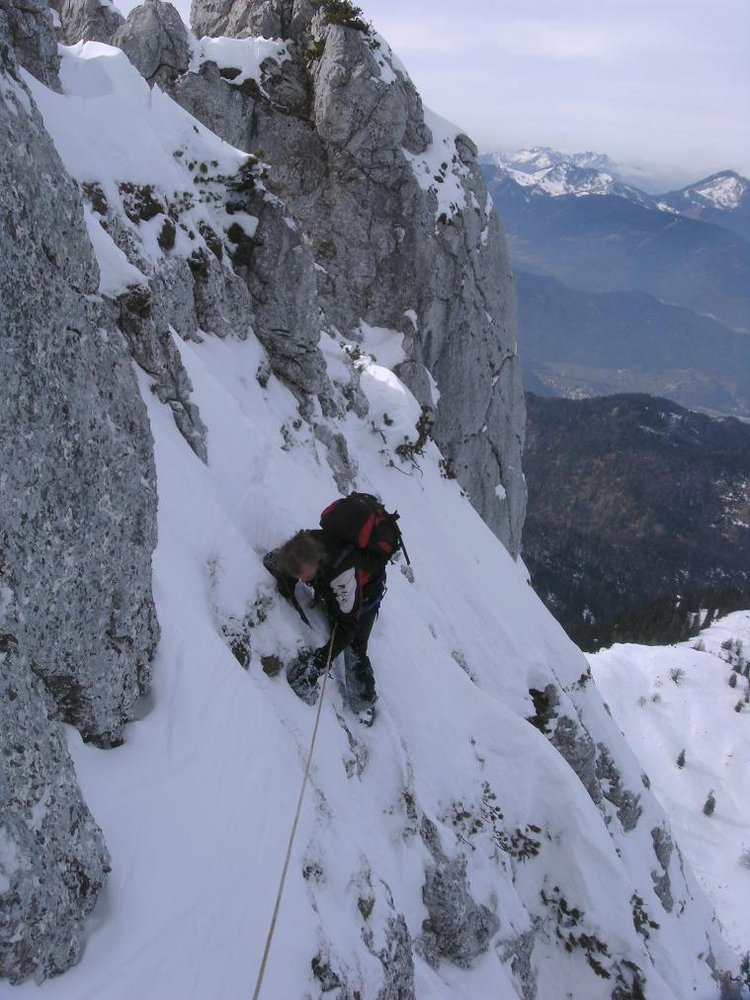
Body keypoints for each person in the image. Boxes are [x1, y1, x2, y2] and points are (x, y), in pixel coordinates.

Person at [263, 524, 388, 725]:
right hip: (330, 582)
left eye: (305, 577)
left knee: (354, 647)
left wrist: (318, 664)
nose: (302, 580)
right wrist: (286, 583)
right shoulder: (302, 546)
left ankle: (363, 701)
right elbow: (281, 562)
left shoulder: (343, 577)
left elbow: (347, 627)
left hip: (365, 595)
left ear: (318, 563)